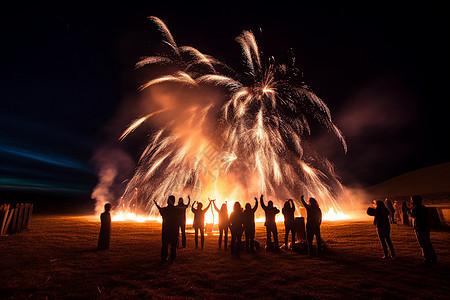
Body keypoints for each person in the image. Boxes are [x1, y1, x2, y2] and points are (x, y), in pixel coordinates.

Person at [408, 195, 437, 266]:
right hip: (425, 227)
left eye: (412, 200)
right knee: (428, 243)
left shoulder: (417, 208)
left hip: (419, 228)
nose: (411, 201)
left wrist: (408, 211)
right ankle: (433, 258)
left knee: (423, 243)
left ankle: (427, 259)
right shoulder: (423, 208)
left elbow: (414, 215)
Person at [154, 196, 183, 263]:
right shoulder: (176, 210)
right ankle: (172, 258)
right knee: (173, 245)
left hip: (166, 230)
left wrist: (156, 204)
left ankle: (164, 258)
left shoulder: (165, 210)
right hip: (174, 230)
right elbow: (181, 212)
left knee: (165, 245)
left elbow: (160, 209)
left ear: (167, 201)